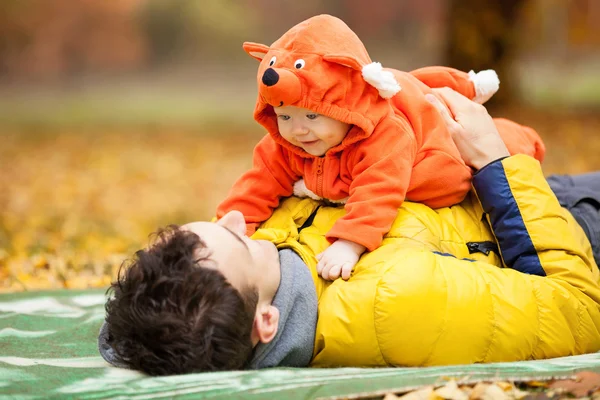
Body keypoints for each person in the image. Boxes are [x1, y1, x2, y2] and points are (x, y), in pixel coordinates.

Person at [98, 87, 600, 376]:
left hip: (526, 198)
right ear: (266, 324)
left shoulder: (262, 273)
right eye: (237, 240)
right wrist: (494, 159)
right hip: (569, 229)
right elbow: (580, 309)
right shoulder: (397, 307)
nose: (234, 218)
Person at [216, 14, 545, 281]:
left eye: (313, 116)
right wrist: (229, 229)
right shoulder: (286, 140)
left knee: (474, 161)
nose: (298, 130)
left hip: (431, 155)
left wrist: (350, 242)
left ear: (345, 106)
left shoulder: (383, 135)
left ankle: (523, 138)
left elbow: (379, 188)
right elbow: (258, 182)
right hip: (377, 147)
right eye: (284, 116)